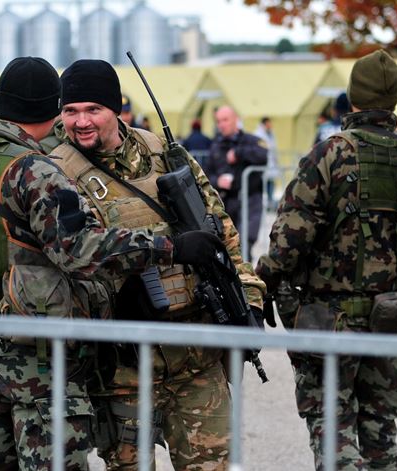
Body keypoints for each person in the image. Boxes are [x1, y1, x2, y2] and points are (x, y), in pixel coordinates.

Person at [0, 56, 222, 470]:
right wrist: (170, 248)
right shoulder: (35, 171)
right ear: (49, 108)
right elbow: (81, 251)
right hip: (44, 363)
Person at [53, 59, 265, 470]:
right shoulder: (54, 171)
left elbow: (220, 231)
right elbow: (60, 261)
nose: (81, 122)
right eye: (70, 111)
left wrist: (249, 298)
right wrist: (110, 297)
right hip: (122, 369)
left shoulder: (161, 151)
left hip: (196, 357)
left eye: (93, 109)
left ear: (117, 109)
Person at [256, 49, 397, 470]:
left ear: (352, 97)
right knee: (382, 437)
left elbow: (290, 241)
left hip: (327, 322)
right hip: (391, 318)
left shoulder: (327, 155)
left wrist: (263, 283)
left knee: (333, 434)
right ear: (394, 98)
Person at [204, 105, 268, 261]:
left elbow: (263, 156)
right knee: (228, 245)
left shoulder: (251, 141)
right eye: (218, 121)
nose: (222, 124)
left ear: (236, 120)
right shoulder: (216, 147)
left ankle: (246, 281)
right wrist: (217, 181)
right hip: (228, 201)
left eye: (225, 120)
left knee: (246, 241)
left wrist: (239, 153)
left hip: (251, 200)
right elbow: (205, 175)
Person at [252, 116, 280, 211]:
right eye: (268, 124)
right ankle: (261, 205)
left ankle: (270, 204)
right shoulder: (258, 134)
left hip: (271, 165)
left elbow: (274, 149)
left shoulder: (271, 134)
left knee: (270, 185)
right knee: (261, 186)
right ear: (264, 124)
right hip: (262, 165)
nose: (270, 126)